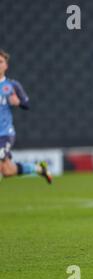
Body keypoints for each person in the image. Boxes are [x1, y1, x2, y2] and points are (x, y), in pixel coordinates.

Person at [0, 49, 52, 183]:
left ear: (6, 65)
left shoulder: (12, 85)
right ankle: (39, 169)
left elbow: (27, 104)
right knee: (7, 171)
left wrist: (18, 103)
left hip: (5, 133)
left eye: (0, 62)